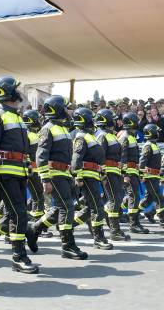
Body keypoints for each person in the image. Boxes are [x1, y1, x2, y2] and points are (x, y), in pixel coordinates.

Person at [0, 76, 39, 273]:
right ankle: (19, 257)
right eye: (16, 89)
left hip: (19, 172)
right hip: (4, 173)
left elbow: (24, 148)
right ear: (8, 92)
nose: (18, 92)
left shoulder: (17, 117)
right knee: (19, 214)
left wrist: (27, 165)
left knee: (12, 215)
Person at [26, 95, 88, 260]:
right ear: (58, 109)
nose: (69, 111)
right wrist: (45, 179)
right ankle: (67, 245)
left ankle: (34, 229)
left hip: (64, 174)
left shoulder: (63, 128)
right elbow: (41, 156)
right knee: (66, 207)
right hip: (54, 174)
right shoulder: (48, 128)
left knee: (61, 207)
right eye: (66, 108)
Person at [71, 107, 113, 250]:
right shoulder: (81, 137)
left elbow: (98, 159)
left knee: (91, 207)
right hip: (87, 176)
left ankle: (68, 226)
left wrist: (103, 174)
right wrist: (78, 176)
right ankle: (99, 238)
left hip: (93, 176)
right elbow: (76, 159)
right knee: (97, 207)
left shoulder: (90, 136)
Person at [95, 109, 130, 241]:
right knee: (114, 200)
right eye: (113, 119)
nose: (115, 121)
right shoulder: (102, 135)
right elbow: (100, 155)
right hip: (107, 172)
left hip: (115, 171)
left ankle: (114, 229)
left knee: (116, 199)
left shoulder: (112, 135)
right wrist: (103, 171)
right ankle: (114, 231)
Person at [138, 124, 164, 228]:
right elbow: (142, 160)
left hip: (154, 176)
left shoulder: (153, 145)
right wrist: (141, 174)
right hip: (149, 177)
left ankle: (134, 215)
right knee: (159, 199)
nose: (158, 133)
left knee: (148, 199)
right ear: (151, 132)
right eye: (156, 131)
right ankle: (163, 220)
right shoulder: (148, 145)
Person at [119, 113, 149, 234]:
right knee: (133, 198)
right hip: (129, 174)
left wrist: (139, 173)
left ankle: (134, 222)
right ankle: (133, 224)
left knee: (134, 198)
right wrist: (124, 174)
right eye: (136, 120)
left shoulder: (131, 136)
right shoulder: (125, 137)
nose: (138, 122)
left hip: (133, 172)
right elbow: (122, 157)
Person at [22, 109, 46, 221]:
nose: (39, 121)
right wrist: (29, 169)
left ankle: (29, 218)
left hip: (34, 169)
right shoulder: (28, 135)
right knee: (38, 196)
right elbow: (25, 153)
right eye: (38, 119)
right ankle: (38, 224)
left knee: (35, 196)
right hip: (32, 170)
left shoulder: (29, 133)